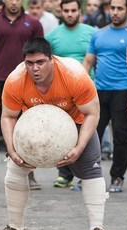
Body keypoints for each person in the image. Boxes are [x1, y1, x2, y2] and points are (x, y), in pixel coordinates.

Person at [0, 37, 111, 230]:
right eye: (30, 63)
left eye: (41, 62)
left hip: (77, 122)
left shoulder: (75, 75)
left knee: (91, 170)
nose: (35, 68)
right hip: (33, 128)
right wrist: (12, 149)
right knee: (14, 167)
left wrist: (79, 147)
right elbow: (8, 117)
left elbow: (92, 113)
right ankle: (15, 229)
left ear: (52, 60)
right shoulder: (16, 80)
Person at [0, 0, 43, 190]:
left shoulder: (33, 23)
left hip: (26, 81)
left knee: (28, 128)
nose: (14, 2)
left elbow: (41, 55)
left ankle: (30, 174)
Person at [82, 0, 127, 193]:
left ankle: (117, 177)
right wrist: (79, 87)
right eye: (113, 8)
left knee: (121, 136)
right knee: (92, 134)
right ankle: (87, 175)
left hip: (124, 91)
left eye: (120, 8)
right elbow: (87, 62)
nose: (115, 12)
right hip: (99, 92)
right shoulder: (98, 34)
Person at [46, 0, 96, 190]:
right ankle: (64, 175)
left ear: (79, 12)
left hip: (86, 90)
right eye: (66, 10)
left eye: (73, 10)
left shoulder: (91, 33)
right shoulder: (52, 36)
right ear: (60, 12)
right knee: (63, 132)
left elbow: (95, 61)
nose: (69, 14)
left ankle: (85, 174)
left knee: (86, 132)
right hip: (61, 93)